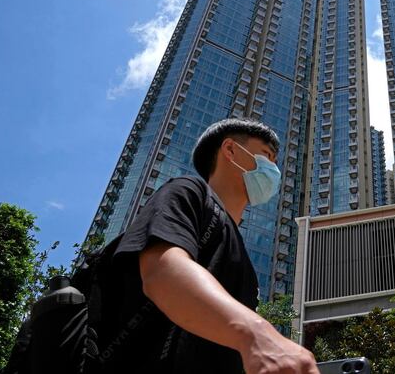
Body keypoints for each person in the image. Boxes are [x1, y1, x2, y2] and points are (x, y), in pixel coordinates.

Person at [96, 118, 319, 373]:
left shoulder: (243, 260)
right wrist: (257, 335)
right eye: (267, 156)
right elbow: (162, 270)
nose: (274, 169)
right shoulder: (188, 192)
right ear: (231, 150)